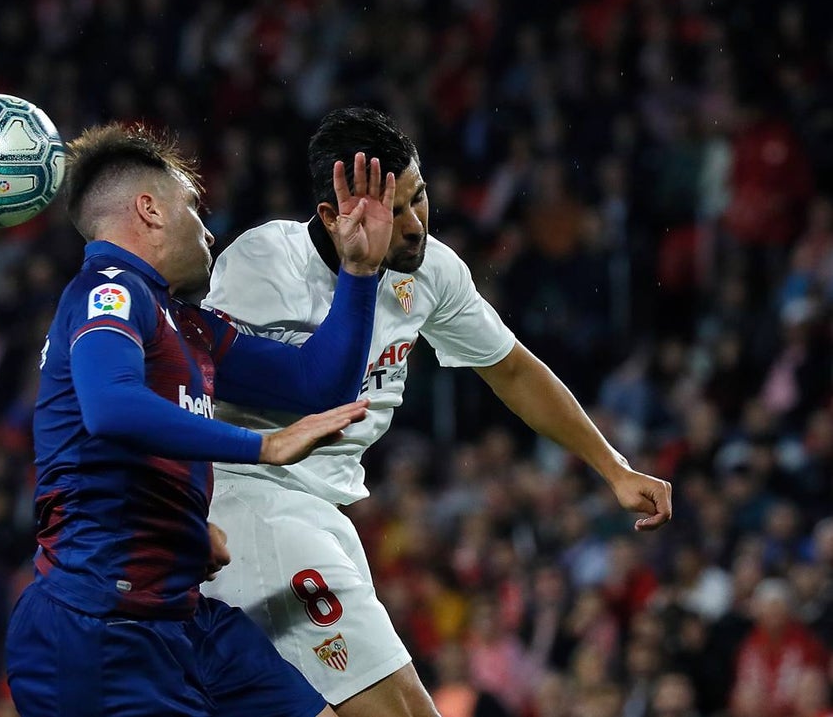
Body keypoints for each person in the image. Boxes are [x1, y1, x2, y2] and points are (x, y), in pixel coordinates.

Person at [201, 107, 674, 716]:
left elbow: (511, 368)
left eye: (418, 198)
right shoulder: (265, 262)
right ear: (332, 215)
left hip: (326, 511)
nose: (414, 226)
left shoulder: (431, 270)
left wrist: (613, 467)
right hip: (251, 498)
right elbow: (228, 386)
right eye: (389, 211)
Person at [4, 122, 398, 717]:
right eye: (193, 207)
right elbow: (111, 407)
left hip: (184, 617)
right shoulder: (106, 291)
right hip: (99, 630)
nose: (207, 229)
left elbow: (318, 382)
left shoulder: (187, 324)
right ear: (150, 210)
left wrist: (359, 273)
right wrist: (262, 446)